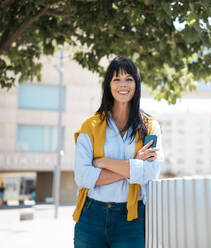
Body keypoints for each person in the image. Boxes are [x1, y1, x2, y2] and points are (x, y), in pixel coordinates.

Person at [73, 56, 164, 248]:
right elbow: (83, 177)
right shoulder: (90, 126)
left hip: (131, 218)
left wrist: (104, 162)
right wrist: (133, 165)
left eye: (129, 79)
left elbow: (150, 172)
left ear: (136, 85)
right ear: (108, 85)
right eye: (117, 79)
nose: (123, 85)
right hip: (91, 216)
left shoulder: (150, 127)